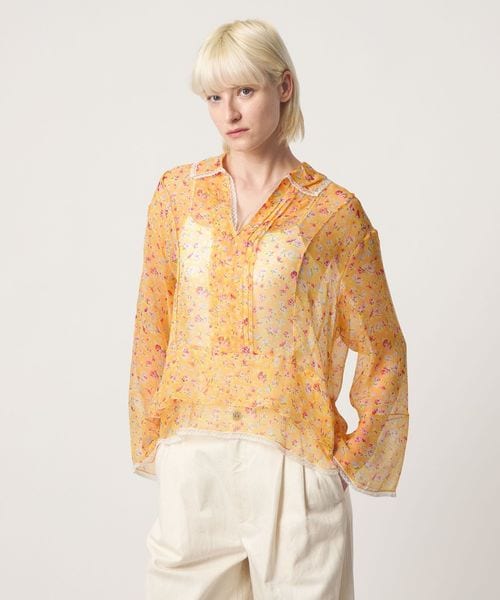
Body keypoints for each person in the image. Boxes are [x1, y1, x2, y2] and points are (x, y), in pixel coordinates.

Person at [128, 18, 409, 600]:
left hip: (292, 466)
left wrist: (347, 457)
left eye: (244, 91)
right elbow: (153, 323)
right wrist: (158, 439)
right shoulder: (178, 196)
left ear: (283, 87)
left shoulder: (332, 214)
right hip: (193, 461)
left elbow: (383, 346)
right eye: (214, 97)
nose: (229, 112)